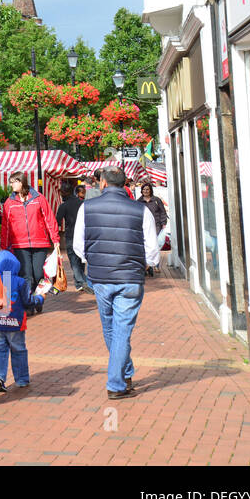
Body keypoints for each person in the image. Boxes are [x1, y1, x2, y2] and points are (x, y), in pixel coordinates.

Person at [73, 167, 160, 400]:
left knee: (111, 328)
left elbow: (78, 246)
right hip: (130, 277)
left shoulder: (86, 209)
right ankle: (119, 379)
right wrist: (146, 265)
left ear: (102, 183)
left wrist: (92, 260)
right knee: (121, 330)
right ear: (125, 184)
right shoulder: (141, 210)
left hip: (101, 277)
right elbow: (152, 251)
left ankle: (120, 378)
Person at [0, 249, 45, 393]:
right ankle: (21, 380)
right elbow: (28, 301)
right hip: (15, 323)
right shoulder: (20, 282)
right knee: (19, 350)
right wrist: (40, 298)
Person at [0, 170, 59, 297]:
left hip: (40, 242)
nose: (11, 185)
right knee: (26, 275)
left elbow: (49, 218)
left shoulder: (38, 198)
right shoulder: (9, 203)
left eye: (13, 182)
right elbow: (6, 226)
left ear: (21, 182)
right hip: (20, 244)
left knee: (38, 274)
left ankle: (39, 298)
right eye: (10, 183)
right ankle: (29, 302)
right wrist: (4, 247)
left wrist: (55, 239)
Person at [55, 181, 90, 293]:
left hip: (71, 235)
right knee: (80, 258)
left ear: (64, 193)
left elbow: (57, 222)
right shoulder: (81, 203)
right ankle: (79, 283)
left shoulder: (63, 206)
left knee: (74, 260)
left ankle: (81, 281)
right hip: (83, 234)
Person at [139, 183, 169, 277]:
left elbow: (163, 212)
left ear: (150, 190)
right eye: (144, 190)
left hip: (156, 226)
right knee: (145, 246)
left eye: (147, 189)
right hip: (144, 227)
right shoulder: (139, 201)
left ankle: (155, 265)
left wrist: (163, 223)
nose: (145, 191)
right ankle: (147, 265)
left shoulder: (156, 200)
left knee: (154, 246)